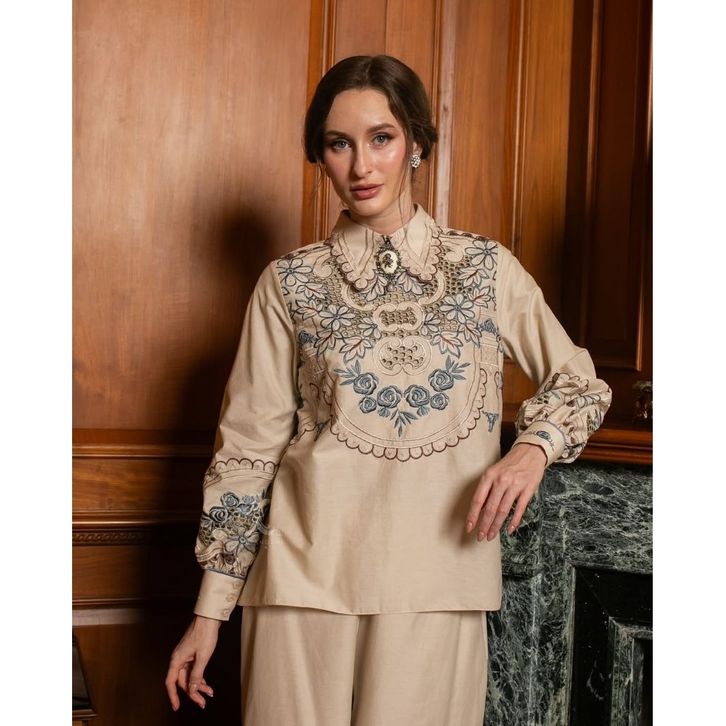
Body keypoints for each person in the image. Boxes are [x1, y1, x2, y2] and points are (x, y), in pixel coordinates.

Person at [165, 54, 611, 724]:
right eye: (338, 144)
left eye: (381, 138)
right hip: (301, 584)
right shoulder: (289, 284)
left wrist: (533, 449)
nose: (361, 166)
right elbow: (247, 452)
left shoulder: (485, 270)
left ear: (417, 144)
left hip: (439, 580)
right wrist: (209, 613)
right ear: (321, 157)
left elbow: (579, 381)